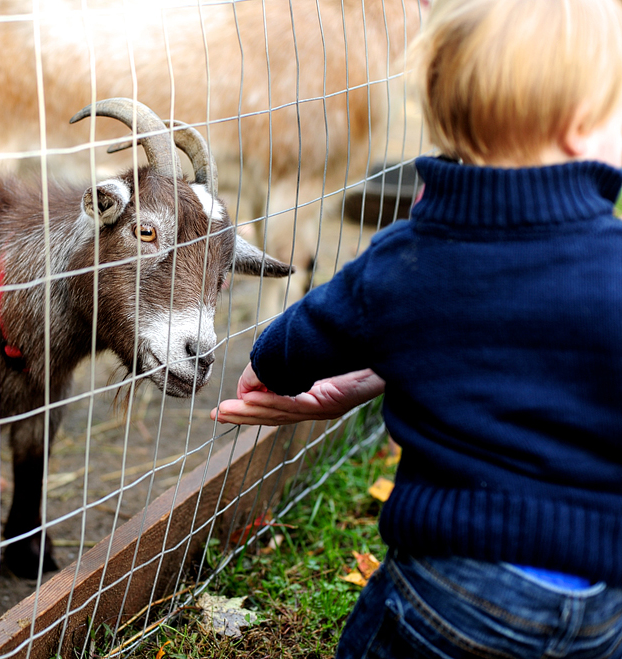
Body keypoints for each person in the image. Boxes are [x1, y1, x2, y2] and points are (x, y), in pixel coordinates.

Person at [211, 0, 622, 656]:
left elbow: (298, 340)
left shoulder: (408, 257)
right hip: (602, 602)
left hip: (450, 587)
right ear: (579, 129)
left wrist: (269, 366)